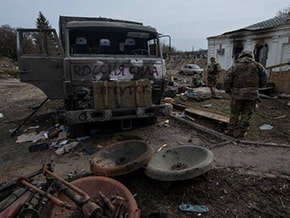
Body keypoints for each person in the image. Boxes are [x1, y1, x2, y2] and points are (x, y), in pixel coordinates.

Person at [223, 50, 268, 138]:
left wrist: (228, 90)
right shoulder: (258, 66)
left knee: (234, 113)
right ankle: (242, 132)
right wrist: (260, 87)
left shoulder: (235, 66)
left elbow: (227, 78)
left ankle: (231, 131)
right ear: (251, 56)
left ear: (241, 56)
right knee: (246, 114)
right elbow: (264, 77)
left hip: (237, 94)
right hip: (251, 94)